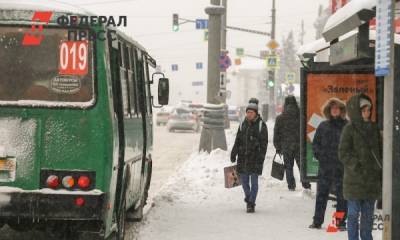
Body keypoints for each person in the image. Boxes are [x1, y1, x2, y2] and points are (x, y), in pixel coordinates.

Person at [339, 93, 382, 240]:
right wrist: (357, 165)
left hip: (371, 180)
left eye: (369, 110)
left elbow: (380, 151)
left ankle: (366, 238)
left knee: (368, 216)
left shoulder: (374, 128)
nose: (367, 113)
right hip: (354, 180)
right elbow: (343, 153)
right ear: (356, 111)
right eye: (363, 110)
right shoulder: (349, 129)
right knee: (352, 214)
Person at [309, 98, 348, 230]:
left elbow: (351, 146)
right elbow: (315, 144)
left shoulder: (346, 126)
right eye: (332, 108)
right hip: (325, 167)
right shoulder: (323, 125)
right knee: (321, 195)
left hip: (341, 168)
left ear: (341, 110)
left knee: (342, 197)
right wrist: (320, 155)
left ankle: (339, 222)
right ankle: (317, 221)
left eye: (337, 108)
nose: (335, 110)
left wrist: (345, 159)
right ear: (329, 111)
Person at [231, 102, 268, 213]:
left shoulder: (261, 125)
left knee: (254, 183)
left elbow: (264, 143)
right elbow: (238, 140)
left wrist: (261, 156)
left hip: (255, 158)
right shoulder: (243, 124)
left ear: (256, 113)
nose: (248, 114)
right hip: (243, 158)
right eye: (247, 112)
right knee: (244, 182)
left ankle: (251, 203)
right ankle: (248, 198)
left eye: (251, 112)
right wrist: (234, 152)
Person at [273, 95, 311, 191]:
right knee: (301, 165)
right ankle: (306, 184)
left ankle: (291, 185)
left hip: (286, 146)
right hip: (299, 145)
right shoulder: (301, 116)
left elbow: (276, 134)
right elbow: (306, 131)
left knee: (288, 167)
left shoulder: (280, 118)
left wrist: (278, 147)